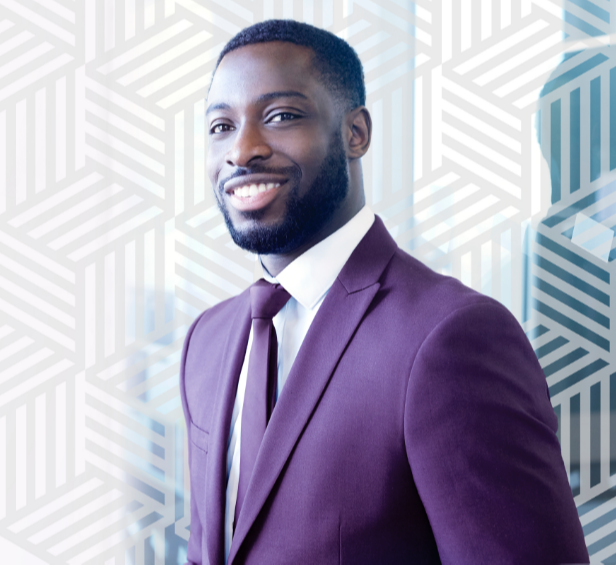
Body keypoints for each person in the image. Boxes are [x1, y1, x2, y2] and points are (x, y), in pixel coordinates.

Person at [180, 19, 589, 565]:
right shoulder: (205, 342)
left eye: (281, 117)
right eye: (221, 127)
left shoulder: (451, 336)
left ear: (356, 134)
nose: (242, 150)